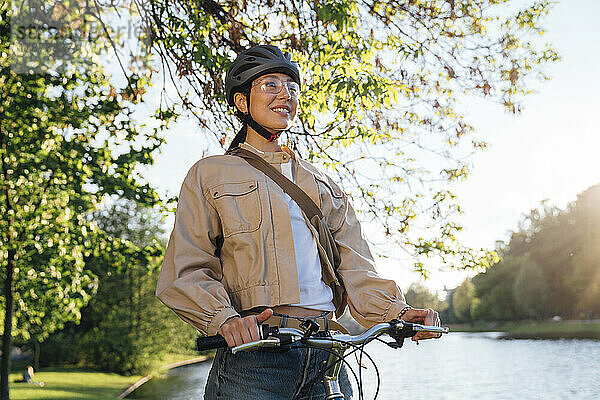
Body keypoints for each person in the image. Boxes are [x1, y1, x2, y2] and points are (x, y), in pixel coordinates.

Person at [156, 44, 441, 399]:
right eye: (270, 85)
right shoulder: (211, 173)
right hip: (255, 359)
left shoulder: (324, 184)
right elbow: (185, 268)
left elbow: (356, 268)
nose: (285, 94)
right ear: (242, 103)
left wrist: (398, 312)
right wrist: (224, 320)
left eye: (291, 87)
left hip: (329, 354)